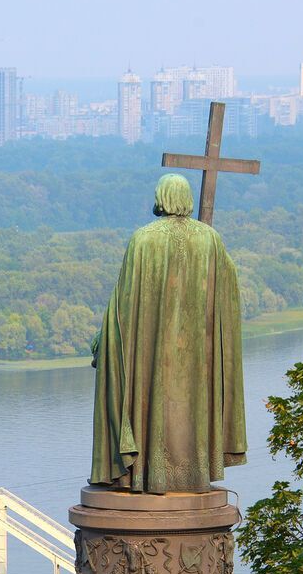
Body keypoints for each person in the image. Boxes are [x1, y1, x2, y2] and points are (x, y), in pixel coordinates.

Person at [90, 173, 247, 494]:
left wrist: (103, 340)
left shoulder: (143, 240)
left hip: (150, 356)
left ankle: (147, 473)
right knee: (191, 406)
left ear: (161, 198)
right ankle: (193, 473)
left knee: (150, 403)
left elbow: (123, 305)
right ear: (187, 199)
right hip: (196, 355)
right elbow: (229, 287)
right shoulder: (210, 240)